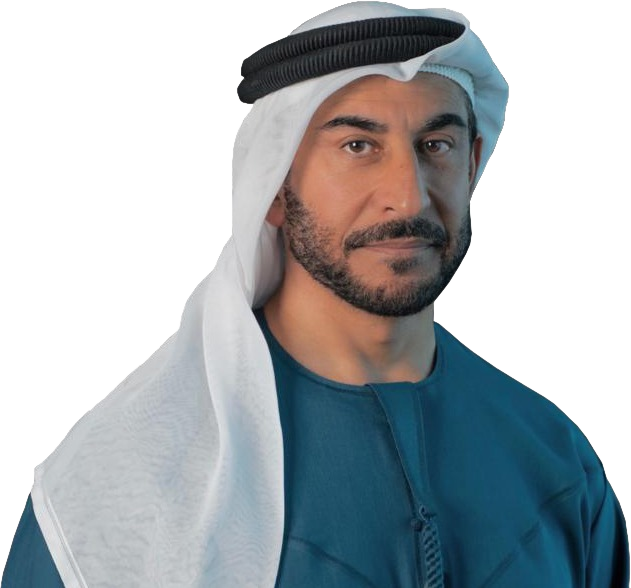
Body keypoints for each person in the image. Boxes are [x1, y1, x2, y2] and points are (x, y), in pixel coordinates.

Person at [2, 2, 629, 587]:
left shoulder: (555, 460)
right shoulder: (119, 490)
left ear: (471, 164)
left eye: (435, 146)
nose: (408, 197)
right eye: (358, 146)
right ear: (275, 186)